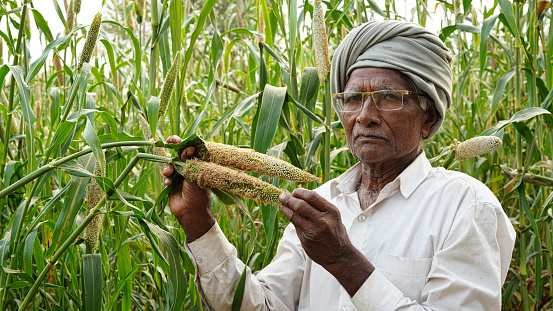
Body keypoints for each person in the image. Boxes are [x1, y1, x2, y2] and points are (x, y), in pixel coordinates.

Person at [162, 20, 515, 310]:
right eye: (353, 99)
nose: (365, 116)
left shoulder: (465, 206)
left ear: (428, 118)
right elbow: (263, 306)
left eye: (388, 97)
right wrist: (198, 222)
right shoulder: (320, 203)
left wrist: (343, 260)